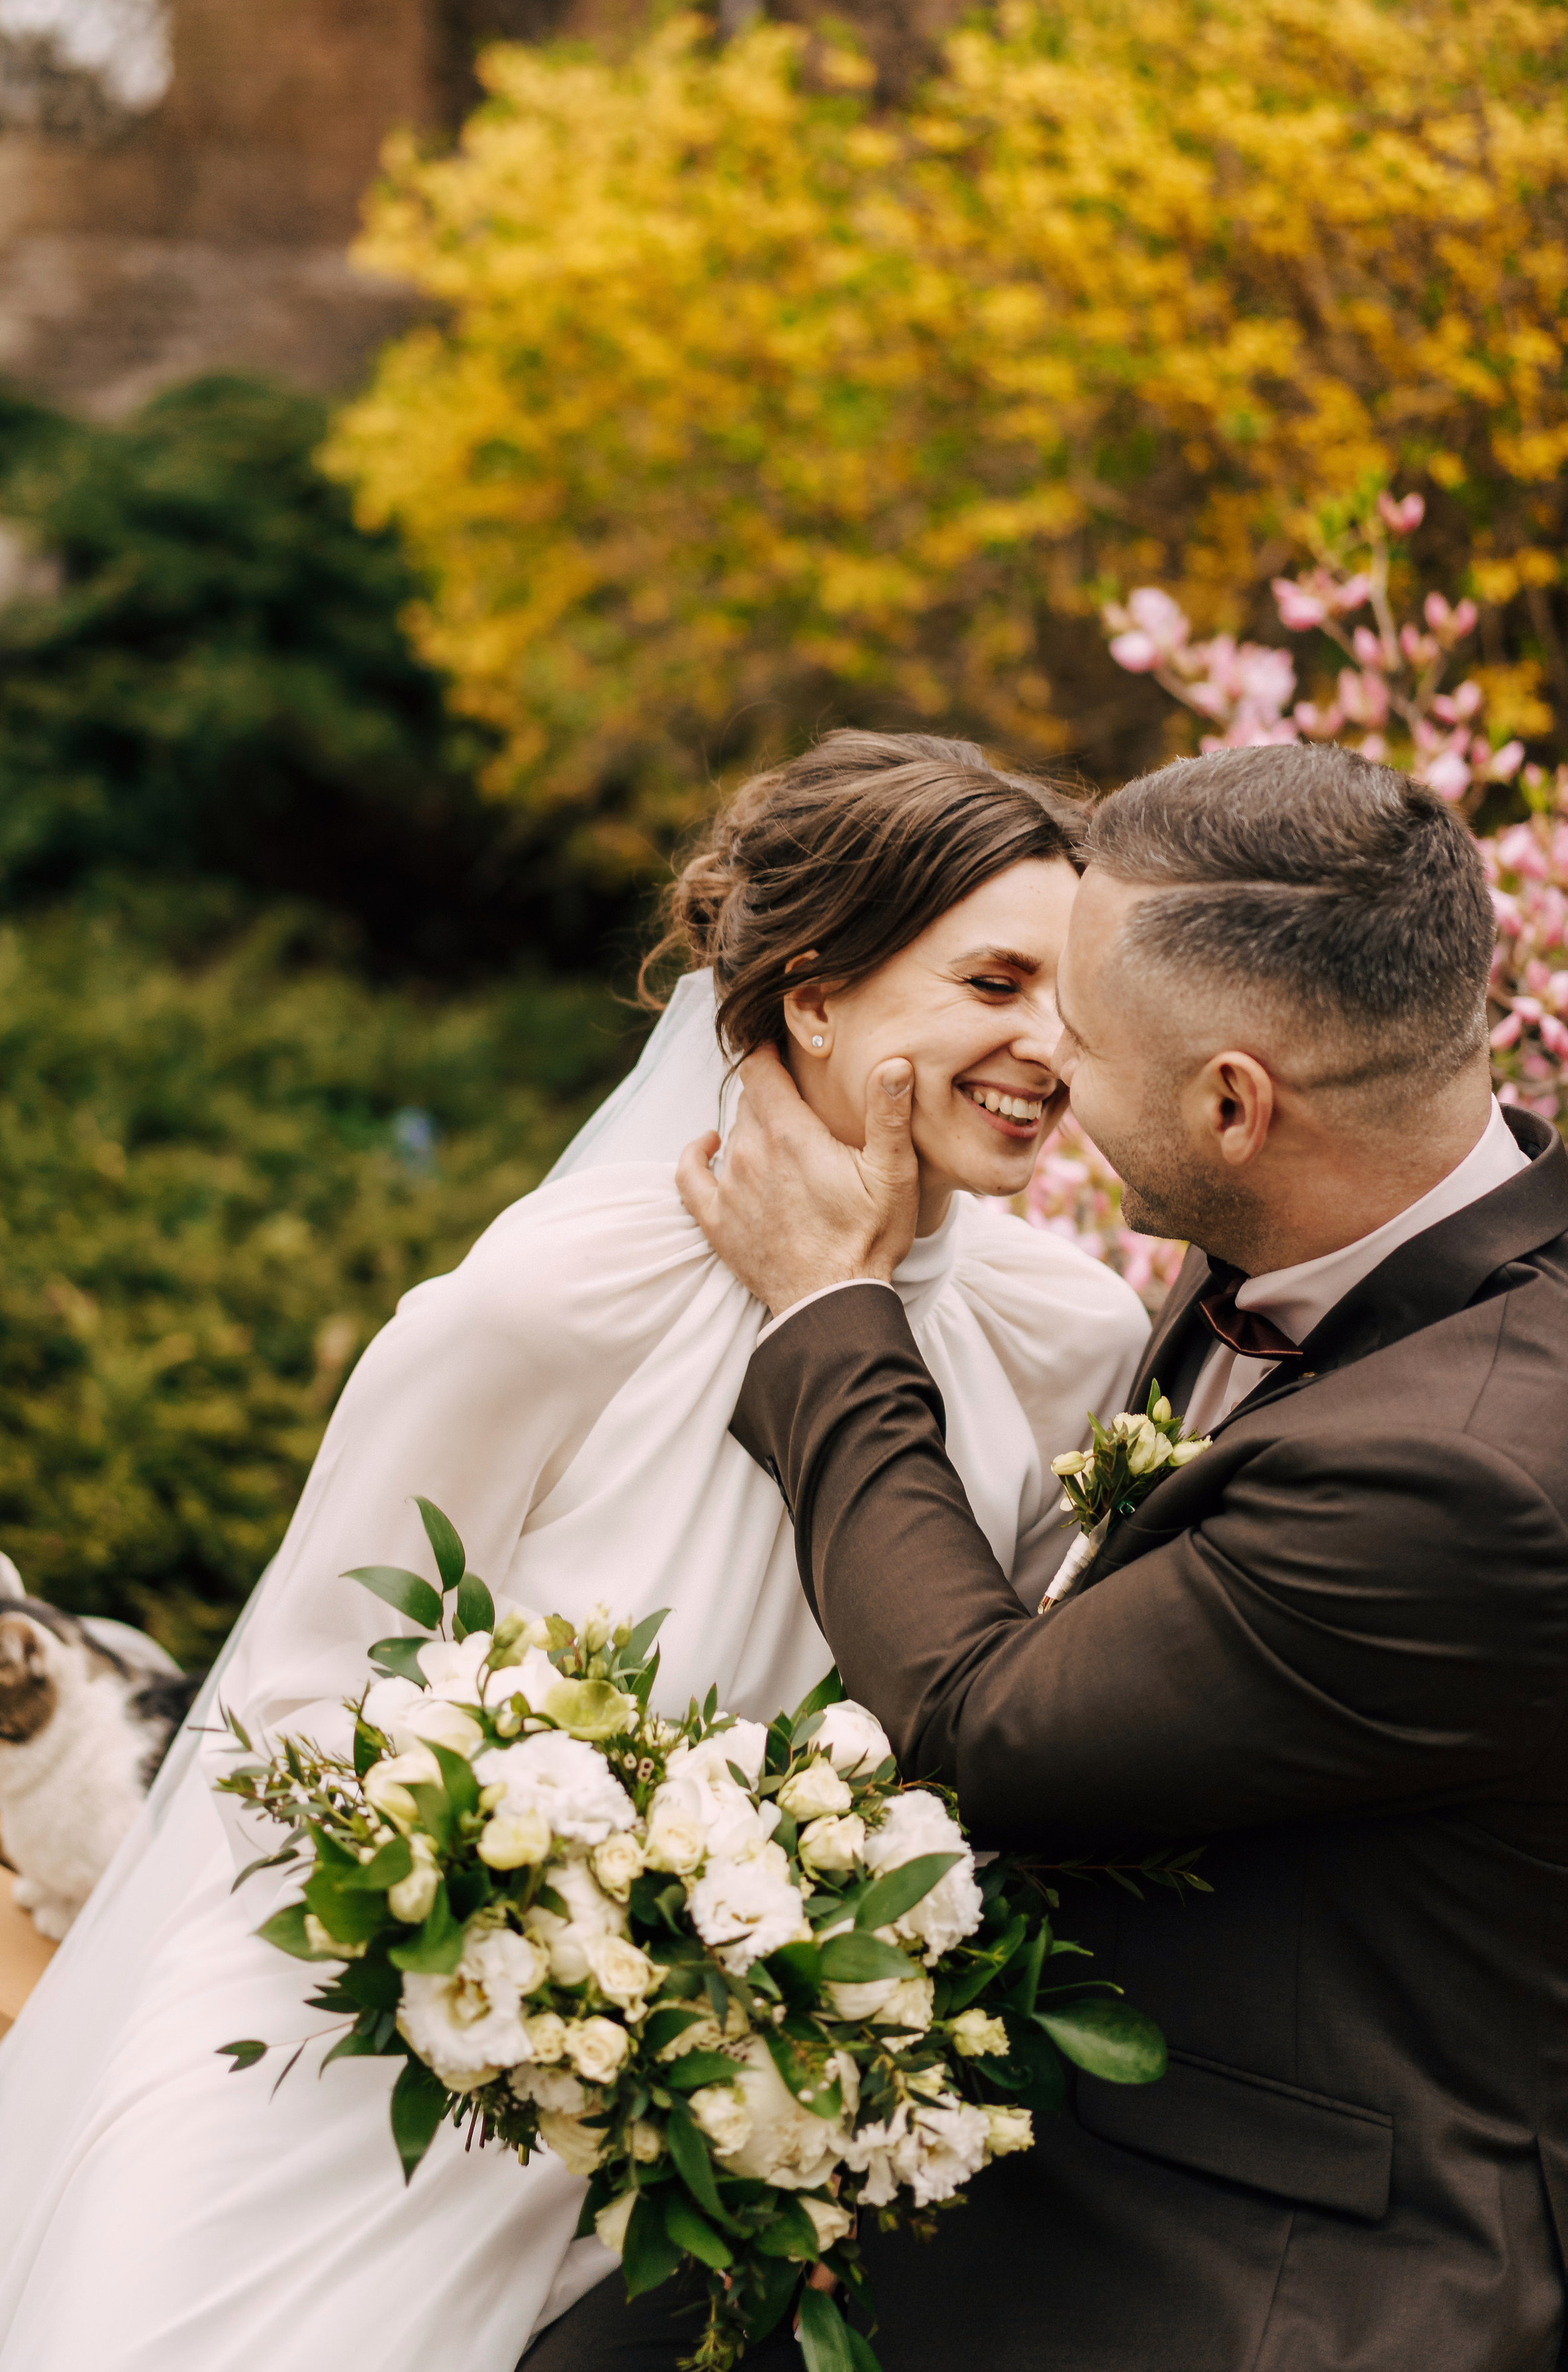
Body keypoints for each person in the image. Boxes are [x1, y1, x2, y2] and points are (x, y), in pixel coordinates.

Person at [0, 731, 1150, 2372]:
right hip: (353, 2087)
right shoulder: (549, 1303)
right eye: (991, 981)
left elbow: (1000, 1732)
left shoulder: (1073, 1339)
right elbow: (297, 1703)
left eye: (1077, 997)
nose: (1048, 1047)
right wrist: (530, 1960)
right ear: (813, 994)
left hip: (734, 2150)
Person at [536, 740, 1566, 2371]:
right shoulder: (1324, 1226)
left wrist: (826, 1307)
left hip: (1270, 2254)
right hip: (1057, 2100)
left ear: (1231, 1104)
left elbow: (986, 1732)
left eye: (1077, 1035)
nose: (1044, 1068)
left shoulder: (1469, 1472)